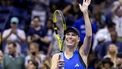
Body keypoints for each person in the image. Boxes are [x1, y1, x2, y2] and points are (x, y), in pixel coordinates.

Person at [51, 0, 92, 69]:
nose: (70, 36)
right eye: (68, 34)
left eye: (73, 35)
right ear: (65, 38)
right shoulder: (56, 57)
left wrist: (85, 13)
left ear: (78, 39)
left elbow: (89, 36)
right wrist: (57, 68)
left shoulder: (82, 53)